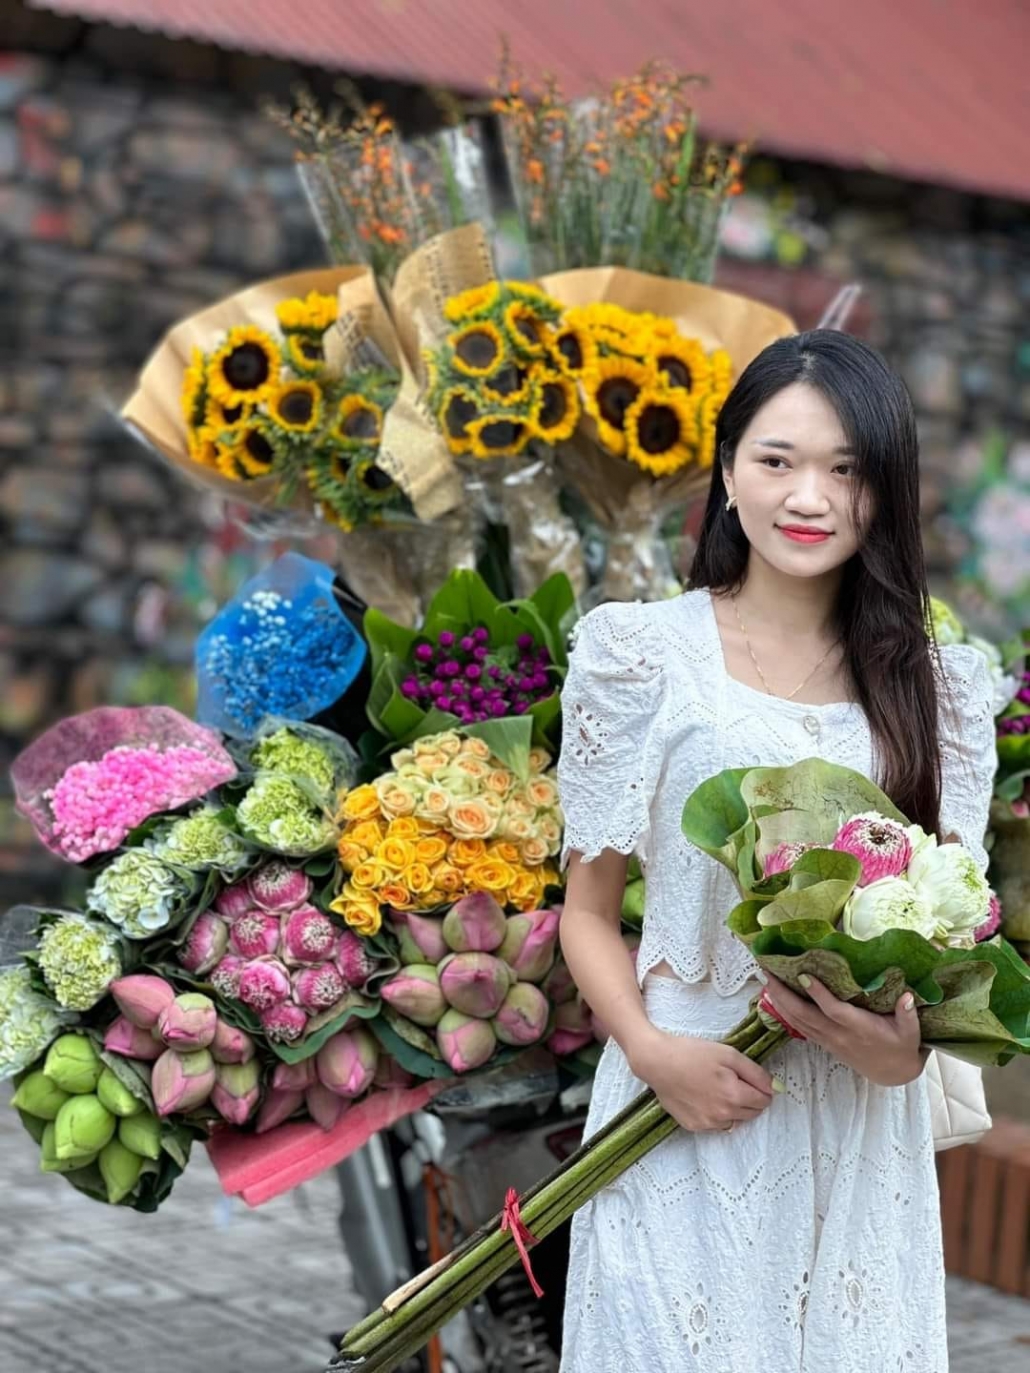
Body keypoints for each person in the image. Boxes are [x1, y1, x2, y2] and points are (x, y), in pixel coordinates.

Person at [556, 330, 996, 1373]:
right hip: (679, 1100)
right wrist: (657, 1056)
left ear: (885, 491)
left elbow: (949, 928)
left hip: (855, 1128)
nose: (810, 496)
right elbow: (585, 908)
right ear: (724, 468)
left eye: (846, 469)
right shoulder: (638, 651)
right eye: (777, 459)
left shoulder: (942, 688)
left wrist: (902, 1050)